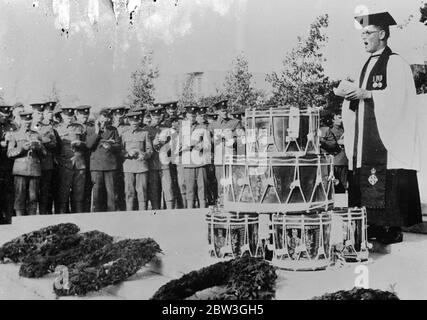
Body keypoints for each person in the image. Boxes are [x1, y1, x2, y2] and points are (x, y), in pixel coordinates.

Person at [342, 11, 422, 244]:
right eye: (362, 34)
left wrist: (368, 93)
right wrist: (350, 95)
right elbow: (361, 101)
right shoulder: (365, 65)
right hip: (365, 138)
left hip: (386, 142)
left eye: (368, 33)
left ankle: (390, 226)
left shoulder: (396, 62)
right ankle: (372, 225)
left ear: (383, 34)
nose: (363, 38)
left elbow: (399, 99)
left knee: (385, 178)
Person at [7, 111, 46, 216]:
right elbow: (9, 153)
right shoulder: (14, 135)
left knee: (33, 198)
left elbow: (44, 154)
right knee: (19, 197)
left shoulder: (37, 135)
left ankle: (31, 221)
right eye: (25, 120)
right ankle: (20, 222)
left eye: (29, 120)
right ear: (21, 120)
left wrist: (39, 148)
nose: (27, 122)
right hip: (20, 170)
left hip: (34, 170)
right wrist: (22, 148)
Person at [86, 108, 121, 212]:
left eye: (107, 119)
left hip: (110, 166)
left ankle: (112, 217)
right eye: (102, 119)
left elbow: (118, 145)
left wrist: (111, 146)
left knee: (112, 194)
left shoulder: (113, 130)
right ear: (98, 118)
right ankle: (97, 216)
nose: (104, 122)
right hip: (96, 166)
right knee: (97, 194)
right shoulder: (90, 129)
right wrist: (97, 132)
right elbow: (89, 145)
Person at [55, 107, 87, 213]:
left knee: (79, 195)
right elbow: (56, 147)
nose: (68, 118)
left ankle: (78, 219)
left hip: (79, 164)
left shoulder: (80, 127)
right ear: (62, 115)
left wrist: (80, 145)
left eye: (70, 115)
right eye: (66, 115)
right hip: (65, 164)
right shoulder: (57, 128)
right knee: (63, 195)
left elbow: (87, 145)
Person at [121, 110, 153, 210]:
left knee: (142, 191)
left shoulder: (145, 133)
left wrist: (144, 155)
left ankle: (143, 214)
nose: (134, 122)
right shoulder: (124, 134)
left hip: (141, 167)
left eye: (136, 120)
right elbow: (119, 150)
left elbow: (150, 150)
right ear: (128, 121)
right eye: (132, 120)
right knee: (129, 191)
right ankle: (130, 214)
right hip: (128, 167)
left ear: (139, 120)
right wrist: (127, 153)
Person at [31, 102, 58, 215]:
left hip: (46, 164)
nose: (40, 115)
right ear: (33, 113)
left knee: (45, 193)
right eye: (38, 113)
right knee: (31, 195)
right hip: (31, 165)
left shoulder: (48, 127)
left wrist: (43, 141)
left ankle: (43, 215)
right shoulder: (28, 126)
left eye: (42, 113)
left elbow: (54, 144)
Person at [182, 105, 210, 208]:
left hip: (200, 162)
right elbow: (178, 145)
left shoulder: (203, 127)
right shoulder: (182, 128)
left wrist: (201, 145)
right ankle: (190, 212)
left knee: (202, 187)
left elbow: (208, 144)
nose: (192, 118)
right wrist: (188, 144)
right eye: (190, 116)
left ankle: (202, 211)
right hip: (188, 162)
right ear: (186, 116)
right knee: (189, 189)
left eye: (194, 116)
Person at [0, 105, 17, 223]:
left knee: (8, 192)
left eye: (6, 116)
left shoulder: (11, 126)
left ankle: (9, 218)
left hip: (7, 165)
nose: (4, 118)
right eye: (2, 116)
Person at [110, 105, 129, 211]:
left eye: (121, 114)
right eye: (117, 114)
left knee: (123, 187)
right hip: (111, 160)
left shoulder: (127, 128)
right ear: (113, 115)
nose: (119, 116)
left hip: (123, 160)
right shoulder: (109, 127)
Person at [74, 105, 93, 212]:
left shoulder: (91, 127)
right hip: (78, 162)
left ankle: (87, 213)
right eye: (82, 114)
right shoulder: (73, 127)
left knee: (88, 190)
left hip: (90, 162)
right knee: (78, 191)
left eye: (86, 114)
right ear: (77, 114)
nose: (85, 116)